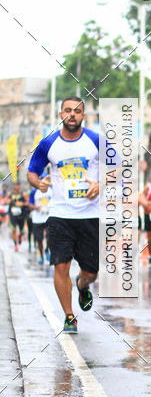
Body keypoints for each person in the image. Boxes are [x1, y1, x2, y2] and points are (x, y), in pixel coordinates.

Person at [27, 97, 100, 333]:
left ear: (83, 116)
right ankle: (69, 316)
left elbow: (118, 169)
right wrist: (38, 184)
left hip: (90, 216)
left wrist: (100, 184)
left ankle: (82, 285)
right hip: (59, 215)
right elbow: (32, 172)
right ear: (61, 114)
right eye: (67, 111)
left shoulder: (96, 140)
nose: (72, 115)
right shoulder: (48, 143)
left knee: (90, 271)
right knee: (60, 265)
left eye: (77, 111)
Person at [28, 175, 53, 265]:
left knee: (50, 237)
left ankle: (47, 250)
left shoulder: (52, 190)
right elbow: (30, 204)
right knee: (39, 239)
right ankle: (41, 256)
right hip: (37, 219)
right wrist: (36, 207)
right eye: (42, 180)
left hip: (49, 217)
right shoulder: (34, 191)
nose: (44, 182)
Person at [8, 184, 28, 251]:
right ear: (13, 186)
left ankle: (20, 236)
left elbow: (28, 203)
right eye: (15, 185)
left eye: (18, 185)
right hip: (13, 215)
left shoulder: (23, 194)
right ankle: (15, 245)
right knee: (13, 229)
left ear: (20, 186)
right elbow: (7, 201)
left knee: (22, 231)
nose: (17, 187)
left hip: (21, 215)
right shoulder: (10, 194)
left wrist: (21, 204)